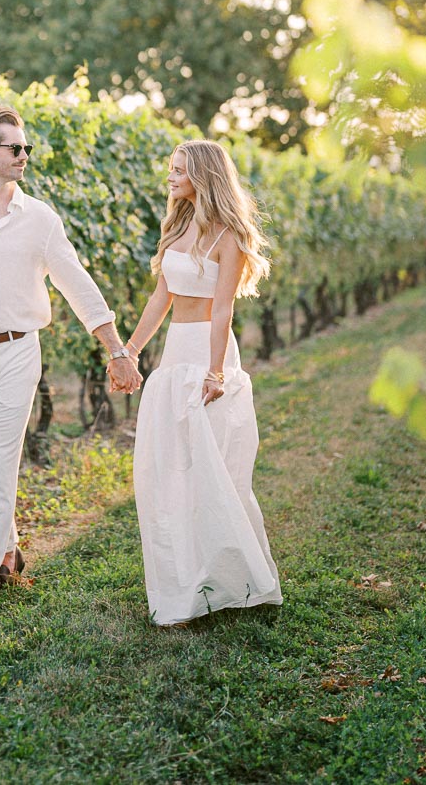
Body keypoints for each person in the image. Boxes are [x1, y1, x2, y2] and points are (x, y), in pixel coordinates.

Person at [0, 105, 142, 632]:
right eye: (15, 148)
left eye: (26, 149)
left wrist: (115, 347)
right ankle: (10, 548)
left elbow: (76, 283)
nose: (24, 156)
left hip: (18, 352)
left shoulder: (40, 219)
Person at [116, 139, 282, 626]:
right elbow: (160, 299)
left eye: (179, 170)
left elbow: (223, 309)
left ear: (203, 176)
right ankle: (183, 583)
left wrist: (214, 372)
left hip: (208, 356)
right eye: (170, 168)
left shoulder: (227, 235)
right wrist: (129, 349)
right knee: (171, 469)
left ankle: (234, 580)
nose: (170, 177)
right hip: (175, 357)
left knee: (214, 473)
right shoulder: (179, 226)